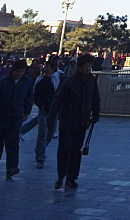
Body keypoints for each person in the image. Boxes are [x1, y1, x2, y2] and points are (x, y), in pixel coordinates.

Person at [50, 53, 100, 189]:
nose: (88, 70)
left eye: (90, 67)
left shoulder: (91, 81)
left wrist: (95, 114)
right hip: (67, 120)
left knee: (76, 150)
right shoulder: (69, 82)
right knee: (64, 149)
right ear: (79, 67)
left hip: (82, 121)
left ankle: (72, 177)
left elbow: (95, 98)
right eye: (86, 67)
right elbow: (57, 100)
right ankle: (61, 175)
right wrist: (52, 119)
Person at [0, 59, 33, 178]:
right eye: (18, 71)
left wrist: (26, 111)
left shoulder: (26, 82)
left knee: (13, 143)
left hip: (16, 117)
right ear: (13, 70)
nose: (19, 74)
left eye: (22, 72)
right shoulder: (3, 82)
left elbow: (29, 97)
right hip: (1, 116)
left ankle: (12, 167)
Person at [29, 59, 62, 169]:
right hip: (44, 110)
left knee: (51, 133)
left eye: (47, 67)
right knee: (42, 133)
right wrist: (41, 105)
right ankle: (40, 158)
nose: (45, 69)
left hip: (55, 110)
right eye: (45, 67)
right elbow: (36, 95)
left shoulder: (60, 78)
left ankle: (39, 148)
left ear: (53, 69)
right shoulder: (41, 80)